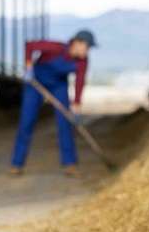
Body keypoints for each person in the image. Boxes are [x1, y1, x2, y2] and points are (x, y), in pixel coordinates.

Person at [10, 30, 95, 177]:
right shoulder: (56, 47)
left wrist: (76, 105)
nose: (87, 51)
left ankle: (70, 164)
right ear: (77, 43)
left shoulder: (83, 61)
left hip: (58, 86)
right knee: (26, 122)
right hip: (35, 82)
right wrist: (29, 66)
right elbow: (30, 45)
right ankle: (17, 164)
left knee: (65, 122)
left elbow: (80, 82)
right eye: (87, 47)